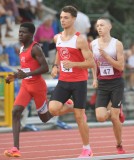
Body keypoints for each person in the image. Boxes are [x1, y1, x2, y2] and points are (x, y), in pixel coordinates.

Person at [3, 22, 72, 158]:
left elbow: (45, 68)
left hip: (37, 87)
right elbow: (26, 68)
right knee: (15, 111)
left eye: (23, 32)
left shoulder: (36, 48)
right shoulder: (22, 48)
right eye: (19, 32)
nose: (20, 34)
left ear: (31, 34)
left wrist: (27, 75)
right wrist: (14, 76)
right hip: (25, 86)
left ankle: (67, 106)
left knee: (45, 118)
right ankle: (15, 148)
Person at [49, 6, 95, 158]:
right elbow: (59, 52)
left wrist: (73, 64)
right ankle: (72, 107)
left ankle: (87, 149)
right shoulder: (57, 37)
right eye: (61, 17)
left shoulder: (80, 40)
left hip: (78, 82)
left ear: (74, 19)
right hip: (63, 80)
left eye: (66, 17)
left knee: (79, 118)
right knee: (53, 109)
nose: (62, 20)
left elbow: (90, 63)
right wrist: (56, 66)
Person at [91, 17, 126, 154]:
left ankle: (119, 144)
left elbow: (121, 66)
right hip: (103, 83)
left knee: (114, 118)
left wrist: (106, 57)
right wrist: (94, 78)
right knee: (100, 117)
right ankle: (116, 111)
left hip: (116, 82)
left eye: (102, 25)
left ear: (109, 27)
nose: (99, 28)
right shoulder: (93, 44)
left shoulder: (117, 44)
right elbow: (93, 63)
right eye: (97, 25)